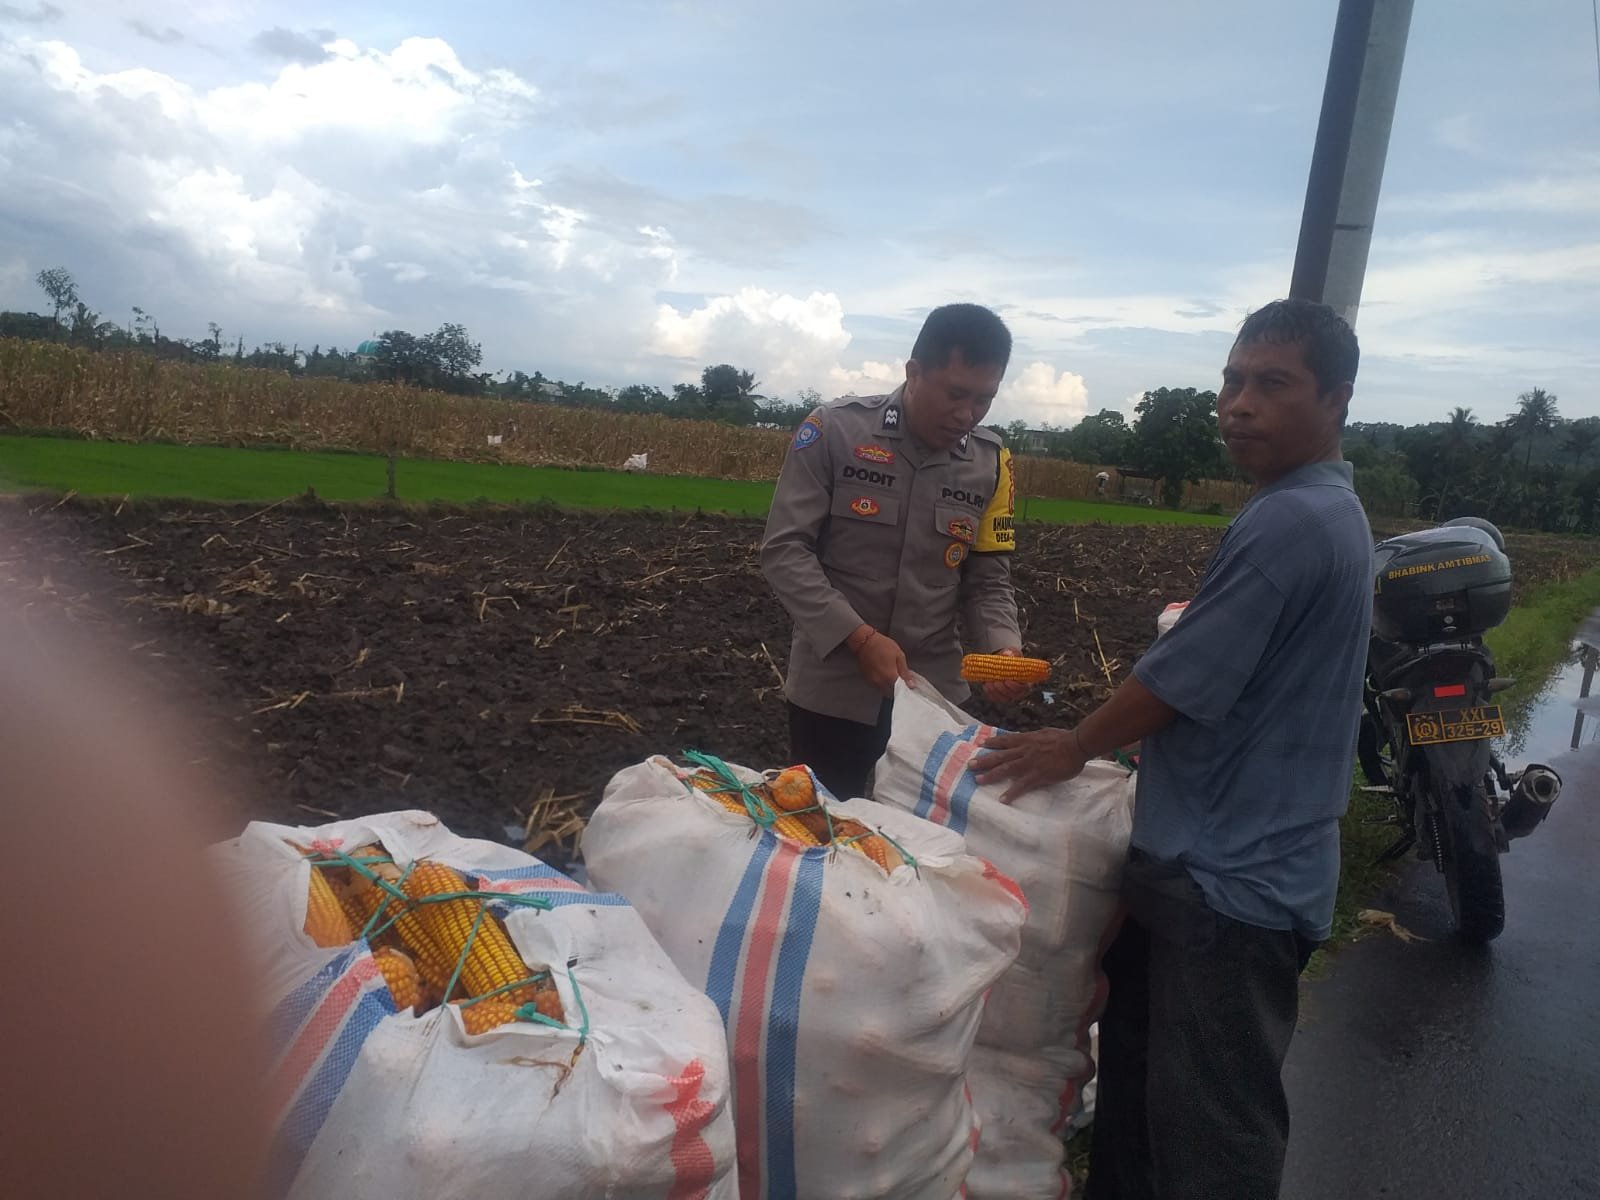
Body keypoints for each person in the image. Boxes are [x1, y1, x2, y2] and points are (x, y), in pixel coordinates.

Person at [972, 298, 1373, 1200]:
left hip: (1233, 880)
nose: (1238, 403)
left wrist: (1074, 746)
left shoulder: (1291, 522)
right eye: (1233, 380)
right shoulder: (1321, 510)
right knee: (1149, 1112)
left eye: (1273, 384)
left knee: (1209, 1134)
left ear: (1336, 399)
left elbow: (1181, 678)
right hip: (1232, 863)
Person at [761, 303, 1032, 801]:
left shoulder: (992, 464)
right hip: (832, 689)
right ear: (914, 372)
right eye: (956, 393)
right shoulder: (835, 432)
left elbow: (988, 578)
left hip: (934, 700)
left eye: (984, 399)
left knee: (920, 840)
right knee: (824, 825)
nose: (967, 414)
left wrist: (1001, 646)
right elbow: (785, 551)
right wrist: (859, 639)